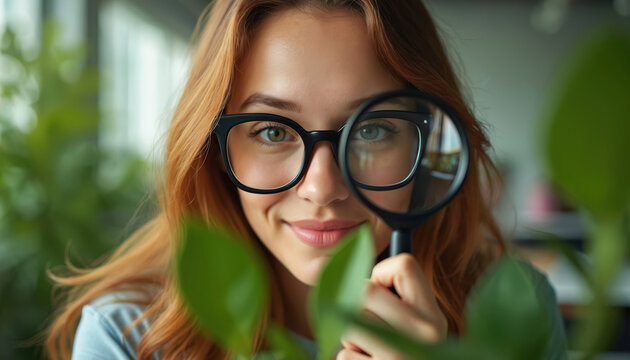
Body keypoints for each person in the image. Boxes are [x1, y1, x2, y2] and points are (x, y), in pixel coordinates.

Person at [45, 0, 567, 359]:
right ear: (212, 150)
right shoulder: (127, 337)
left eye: (375, 129)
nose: (322, 187)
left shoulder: (512, 312)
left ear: (428, 147)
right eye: (272, 130)